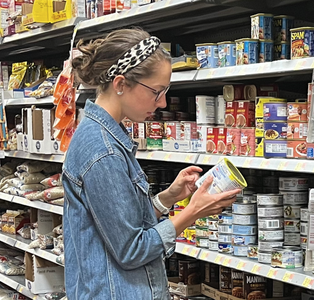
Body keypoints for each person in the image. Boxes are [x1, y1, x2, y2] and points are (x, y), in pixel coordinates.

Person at [62, 28, 240, 300]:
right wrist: (192, 212)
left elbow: (119, 222)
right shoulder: (104, 151)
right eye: (156, 92)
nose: (163, 102)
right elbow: (131, 249)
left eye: (166, 91)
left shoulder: (106, 136)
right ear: (120, 84)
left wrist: (168, 198)